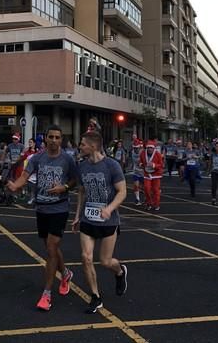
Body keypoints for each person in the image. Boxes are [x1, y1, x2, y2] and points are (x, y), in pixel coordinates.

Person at [7, 125, 77, 311]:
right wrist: (15, 186)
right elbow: (25, 175)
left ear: (61, 140)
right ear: (45, 139)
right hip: (42, 208)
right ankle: (66, 272)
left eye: (57, 137)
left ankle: (46, 294)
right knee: (50, 247)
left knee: (51, 248)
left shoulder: (67, 159)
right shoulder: (37, 158)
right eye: (51, 137)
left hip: (60, 208)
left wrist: (64, 188)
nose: (54, 140)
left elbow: (74, 180)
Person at [73, 131, 128, 314]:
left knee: (105, 261)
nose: (80, 147)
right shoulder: (82, 167)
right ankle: (96, 297)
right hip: (88, 219)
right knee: (86, 257)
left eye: (82, 144)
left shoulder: (112, 165)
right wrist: (77, 216)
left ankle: (120, 272)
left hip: (108, 220)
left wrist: (110, 208)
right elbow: (81, 191)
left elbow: (122, 192)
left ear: (93, 146)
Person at [139, 140, 164, 211]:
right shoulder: (143, 153)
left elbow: (161, 165)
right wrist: (141, 164)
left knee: (156, 190)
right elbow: (140, 161)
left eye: (151, 148)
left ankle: (156, 204)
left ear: (153, 148)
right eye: (148, 148)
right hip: (147, 173)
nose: (149, 149)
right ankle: (149, 203)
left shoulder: (158, 154)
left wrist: (154, 165)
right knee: (146, 189)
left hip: (156, 174)